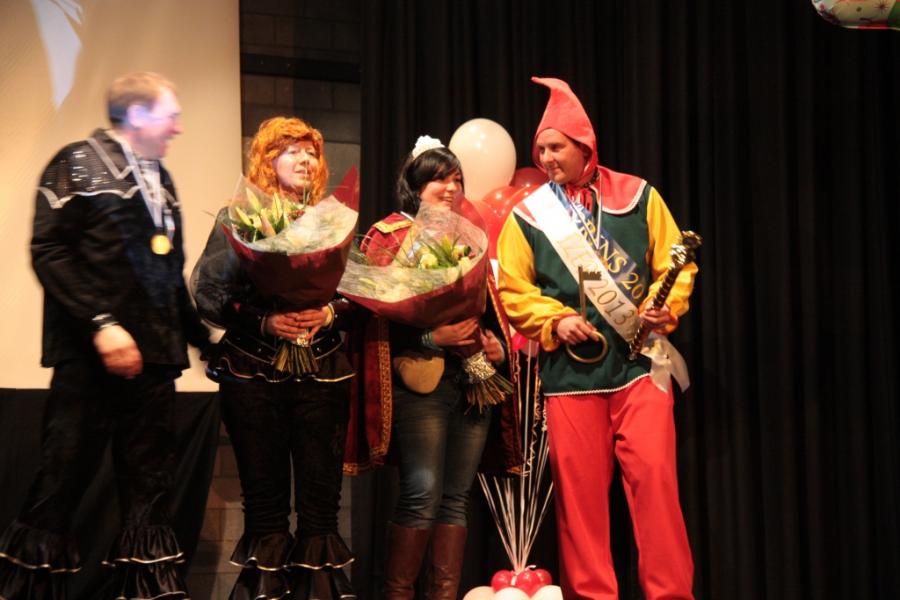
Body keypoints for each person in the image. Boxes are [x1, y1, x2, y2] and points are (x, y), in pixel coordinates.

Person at [0, 71, 210, 600]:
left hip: (154, 365)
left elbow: (168, 275)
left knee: (149, 497)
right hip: (89, 363)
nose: (179, 127)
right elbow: (50, 252)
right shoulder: (77, 161)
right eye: (170, 115)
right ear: (136, 115)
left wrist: (207, 342)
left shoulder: (161, 178)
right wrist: (102, 323)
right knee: (60, 486)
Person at [496, 77, 698, 600]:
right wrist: (553, 320)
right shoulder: (528, 215)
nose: (546, 158)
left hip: (640, 368)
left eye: (555, 147)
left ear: (585, 146)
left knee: (656, 489)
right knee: (580, 506)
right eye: (541, 149)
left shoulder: (638, 195)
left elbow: (676, 263)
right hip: (570, 375)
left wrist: (666, 306)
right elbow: (513, 288)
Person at [191, 116, 356, 600]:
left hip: (323, 371)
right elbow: (209, 293)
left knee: (322, 507)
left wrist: (328, 312)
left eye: (311, 151)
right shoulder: (237, 218)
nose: (305, 159)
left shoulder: (333, 220)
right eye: (292, 151)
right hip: (253, 371)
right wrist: (265, 321)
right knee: (264, 506)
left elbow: (363, 291)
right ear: (267, 160)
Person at [355, 138, 521, 600]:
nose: (450, 188)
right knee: (422, 493)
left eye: (457, 179)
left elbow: (487, 309)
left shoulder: (468, 235)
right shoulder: (389, 235)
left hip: (472, 381)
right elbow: (374, 318)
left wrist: (493, 344)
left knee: (455, 498)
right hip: (420, 385)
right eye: (438, 179)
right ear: (415, 186)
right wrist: (432, 338)